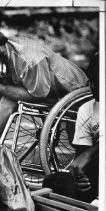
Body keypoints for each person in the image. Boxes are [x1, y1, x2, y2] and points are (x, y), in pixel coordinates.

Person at [0, 19, 89, 144]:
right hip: (37, 86)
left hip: (73, 94)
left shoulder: (28, 58)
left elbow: (40, 95)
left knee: (7, 98)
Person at [70, 53, 99, 203]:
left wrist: (90, 153)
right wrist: (79, 178)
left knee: (96, 161)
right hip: (97, 175)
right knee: (53, 181)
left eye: (99, 81)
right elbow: (80, 156)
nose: (93, 86)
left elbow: (87, 155)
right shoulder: (86, 109)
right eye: (91, 81)